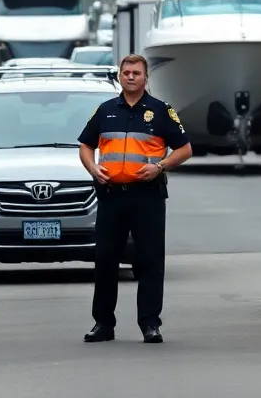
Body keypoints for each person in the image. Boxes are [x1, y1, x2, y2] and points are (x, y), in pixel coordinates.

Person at [77, 53, 192, 343]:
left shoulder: (161, 111)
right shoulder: (104, 111)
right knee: (105, 260)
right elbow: (85, 145)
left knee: (151, 260)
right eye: (126, 72)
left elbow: (185, 149)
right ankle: (103, 324)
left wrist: (160, 166)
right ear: (119, 75)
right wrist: (93, 168)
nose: (130, 76)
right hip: (112, 196)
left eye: (136, 73)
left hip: (147, 197)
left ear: (145, 77)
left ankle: (150, 324)